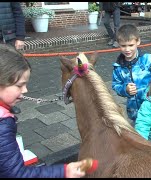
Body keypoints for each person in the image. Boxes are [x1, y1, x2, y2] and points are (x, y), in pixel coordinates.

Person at [0, 44, 86, 178]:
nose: (25, 90)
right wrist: (64, 171)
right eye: (19, 85)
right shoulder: (2, 125)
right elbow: (16, 174)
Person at [112, 24, 151, 123]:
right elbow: (115, 85)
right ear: (118, 44)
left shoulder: (148, 60)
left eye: (131, 45)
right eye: (123, 46)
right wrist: (125, 89)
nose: (127, 49)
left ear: (138, 41)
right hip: (134, 112)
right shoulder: (118, 67)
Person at [0, 2, 26, 114]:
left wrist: (20, 36)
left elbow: (18, 13)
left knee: (11, 73)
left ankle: (9, 102)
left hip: (8, 38)